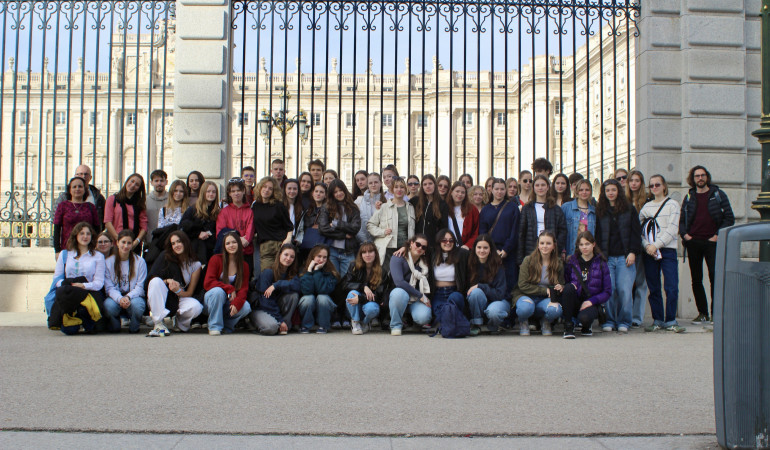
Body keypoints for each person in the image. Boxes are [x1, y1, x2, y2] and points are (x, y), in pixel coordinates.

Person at [679, 165, 734, 324]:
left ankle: (716, 313)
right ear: (693, 179)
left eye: (702, 175)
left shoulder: (718, 194)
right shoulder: (689, 197)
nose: (700, 178)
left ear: (707, 177)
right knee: (696, 279)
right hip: (693, 242)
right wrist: (685, 235)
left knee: (715, 277)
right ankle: (702, 313)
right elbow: (682, 220)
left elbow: (729, 218)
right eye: (697, 176)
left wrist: (717, 236)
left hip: (712, 243)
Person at [594, 179, 642, 333]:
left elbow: (636, 233)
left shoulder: (629, 209)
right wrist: (599, 255)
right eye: (607, 190)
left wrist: (633, 252)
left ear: (618, 191)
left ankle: (624, 321)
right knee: (610, 289)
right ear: (604, 193)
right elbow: (597, 235)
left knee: (624, 290)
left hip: (625, 256)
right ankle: (609, 320)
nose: (611, 193)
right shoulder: (600, 210)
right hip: (607, 257)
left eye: (613, 190)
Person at [640, 174, 684, 333]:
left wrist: (656, 245)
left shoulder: (673, 205)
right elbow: (640, 230)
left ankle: (671, 319)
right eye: (651, 185)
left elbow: (673, 229)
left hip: (667, 249)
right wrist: (647, 246)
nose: (654, 188)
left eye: (657, 184)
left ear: (664, 186)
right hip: (649, 251)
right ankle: (657, 319)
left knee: (671, 286)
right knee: (654, 287)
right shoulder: (646, 207)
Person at [47, 222, 106, 334]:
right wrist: (69, 284)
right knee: (69, 330)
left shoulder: (98, 256)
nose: (85, 236)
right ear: (76, 235)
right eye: (81, 233)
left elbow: (98, 283)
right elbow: (57, 280)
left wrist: (83, 285)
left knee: (91, 327)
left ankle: (85, 320)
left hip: (88, 292)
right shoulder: (65, 254)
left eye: (88, 234)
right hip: (69, 292)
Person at [145, 231, 204, 337]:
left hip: (178, 297)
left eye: (179, 241)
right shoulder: (165, 257)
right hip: (163, 297)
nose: (176, 245)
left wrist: (178, 291)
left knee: (196, 307)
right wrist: (168, 281)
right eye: (173, 243)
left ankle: (179, 323)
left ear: (185, 242)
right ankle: (158, 323)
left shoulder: (195, 264)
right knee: (155, 281)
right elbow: (151, 280)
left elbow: (189, 293)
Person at [560, 231, 612, 338]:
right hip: (574, 300)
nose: (584, 247)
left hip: (591, 302)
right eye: (581, 244)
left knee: (584, 318)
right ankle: (568, 326)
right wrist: (570, 286)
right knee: (568, 288)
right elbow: (565, 282)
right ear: (578, 246)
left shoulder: (601, 263)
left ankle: (586, 325)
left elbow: (607, 291)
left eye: (587, 244)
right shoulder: (571, 262)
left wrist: (592, 301)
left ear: (593, 244)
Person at [513, 231, 564, 336]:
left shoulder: (558, 263)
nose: (545, 246)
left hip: (545, 299)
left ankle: (545, 321)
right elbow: (522, 285)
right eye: (542, 243)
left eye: (548, 243)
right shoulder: (528, 260)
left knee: (556, 310)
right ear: (538, 245)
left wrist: (560, 287)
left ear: (554, 246)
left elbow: (561, 283)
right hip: (526, 296)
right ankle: (523, 321)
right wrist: (545, 290)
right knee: (525, 308)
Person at [203, 231, 251, 335]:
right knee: (218, 291)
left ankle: (227, 326)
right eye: (228, 243)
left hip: (228, 302)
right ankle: (214, 326)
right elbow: (208, 282)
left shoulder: (244, 265)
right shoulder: (216, 259)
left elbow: (244, 288)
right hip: (212, 300)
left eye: (234, 242)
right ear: (224, 246)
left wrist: (236, 303)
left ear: (239, 244)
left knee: (246, 307)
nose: (231, 245)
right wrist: (229, 288)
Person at [479, 178, 520, 291]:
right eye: (496, 189)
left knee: (510, 282)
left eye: (502, 189)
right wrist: (492, 249)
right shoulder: (485, 210)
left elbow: (515, 230)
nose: (499, 192)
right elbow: (483, 232)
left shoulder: (512, 207)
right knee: (492, 281)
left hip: (509, 252)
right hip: (491, 252)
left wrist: (506, 249)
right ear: (491, 190)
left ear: (505, 190)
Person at [251, 243, 301, 335]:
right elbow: (265, 301)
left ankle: (284, 325)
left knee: (293, 295)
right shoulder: (268, 272)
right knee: (271, 328)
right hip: (262, 308)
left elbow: (297, 286)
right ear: (279, 255)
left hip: (276, 308)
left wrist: (277, 285)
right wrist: (280, 320)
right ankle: (259, 323)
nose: (288, 258)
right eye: (286, 255)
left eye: (292, 257)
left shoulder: (291, 273)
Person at [103, 230, 147, 333]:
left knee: (138, 305)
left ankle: (134, 326)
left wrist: (127, 297)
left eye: (129, 243)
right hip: (115, 298)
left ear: (132, 245)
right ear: (117, 243)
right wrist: (120, 298)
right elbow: (109, 288)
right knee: (108, 305)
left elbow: (140, 287)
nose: (126, 246)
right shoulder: (108, 262)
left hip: (133, 297)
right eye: (123, 242)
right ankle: (115, 324)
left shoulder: (140, 262)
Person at [388, 234, 432, 336]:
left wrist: (422, 296)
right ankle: (396, 325)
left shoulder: (425, 263)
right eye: (418, 244)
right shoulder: (398, 257)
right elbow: (399, 282)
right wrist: (421, 295)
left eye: (423, 247)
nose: (420, 248)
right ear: (411, 243)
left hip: (416, 298)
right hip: (401, 295)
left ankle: (416, 324)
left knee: (424, 317)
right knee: (398, 293)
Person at [465, 234, 509, 335]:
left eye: (485, 247)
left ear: (490, 249)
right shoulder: (470, 264)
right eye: (479, 247)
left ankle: (493, 325)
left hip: (498, 301)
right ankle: (476, 324)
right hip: (479, 303)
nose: (482, 250)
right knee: (475, 293)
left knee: (494, 312)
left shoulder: (498, 266)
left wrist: (480, 286)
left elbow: (499, 294)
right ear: (474, 248)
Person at [342, 242, 388, 335]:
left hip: (370, 302)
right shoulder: (354, 266)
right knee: (352, 293)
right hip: (354, 306)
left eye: (370, 252)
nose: (367, 255)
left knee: (372, 309)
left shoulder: (382, 271)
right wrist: (363, 287)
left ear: (375, 254)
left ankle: (365, 322)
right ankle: (355, 322)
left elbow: (379, 295)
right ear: (361, 255)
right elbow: (346, 285)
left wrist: (361, 298)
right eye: (364, 252)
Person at [518, 175, 567, 263]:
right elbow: (521, 232)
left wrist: (556, 247)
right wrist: (520, 258)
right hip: (531, 250)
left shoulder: (555, 209)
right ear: (533, 188)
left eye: (543, 185)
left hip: (551, 252)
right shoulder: (527, 208)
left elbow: (562, 231)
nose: (540, 188)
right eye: (537, 185)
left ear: (548, 187)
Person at [318, 179, 361, 276]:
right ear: (331, 194)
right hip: (331, 250)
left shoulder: (353, 207)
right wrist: (344, 235)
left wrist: (337, 224)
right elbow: (323, 229)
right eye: (335, 192)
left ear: (345, 190)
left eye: (340, 190)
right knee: (333, 279)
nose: (339, 194)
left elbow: (355, 228)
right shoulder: (326, 207)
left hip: (348, 251)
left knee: (347, 279)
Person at [368, 176, 414, 265]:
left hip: (405, 248)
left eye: (402, 187)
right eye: (396, 187)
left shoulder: (411, 207)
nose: (399, 189)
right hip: (388, 248)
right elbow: (370, 225)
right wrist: (383, 232)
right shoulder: (384, 207)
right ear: (392, 189)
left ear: (405, 189)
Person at [252, 176, 293, 272]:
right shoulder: (255, 206)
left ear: (274, 191)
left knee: (281, 273)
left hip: (280, 244)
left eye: (270, 188)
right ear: (260, 188)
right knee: (266, 273)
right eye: (264, 187)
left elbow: (289, 226)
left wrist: (287, 240)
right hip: (265, 246)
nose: (267, 190)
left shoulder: (278, 206)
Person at [53, 176, 100, 259]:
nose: (77, 189)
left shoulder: (91, 207)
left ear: (85, 189)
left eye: (80, 186)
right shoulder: (63, 206)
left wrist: (94, 245)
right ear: (69, 190)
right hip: (67, 248)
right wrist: (57, 250)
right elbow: (57, 229)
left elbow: (97, 228)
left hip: (87, 248)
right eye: (74, 187)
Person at [298, 244, 339, 333]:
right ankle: (305, 326)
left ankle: (323, 326)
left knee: (322, 297)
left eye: (324, 257)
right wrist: (309, 270)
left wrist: (316, 270)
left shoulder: (331, 272)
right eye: (319, 256)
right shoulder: (303, 270)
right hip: (308, 306)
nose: (321, 260)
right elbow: (307, 291)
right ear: (313, 256)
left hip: (325, 307)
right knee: (308, 298)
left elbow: (322, 290)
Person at [626, 169, 649, 327]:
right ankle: (625, 315)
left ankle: (637, 317)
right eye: (631, 180)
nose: (634, 183)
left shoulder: (647, 201)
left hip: (645, 246)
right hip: (628, 246)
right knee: (626, 284)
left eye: (637, 180)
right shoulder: (623, 201)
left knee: (641, 282)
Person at [216, 178, 254, 273]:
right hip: (229, 253)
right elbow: (220, 232)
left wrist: (244, 240)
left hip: (246, 252)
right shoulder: (224, 212)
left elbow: (249, 233)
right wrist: (237, 239)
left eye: (238, 190)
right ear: (229, 193)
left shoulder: (250, 211)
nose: (236, 193)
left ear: (243, 191)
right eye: (233, 191)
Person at [180, 180, 220, 267]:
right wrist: (198, 234)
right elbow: (182, 227)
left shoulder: (217, 211)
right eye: (208, 191)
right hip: (196, 250)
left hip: (212, 249)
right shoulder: (193, 209)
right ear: (203, 193)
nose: (211, 194)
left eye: (213, 192)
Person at [104, 173, 148, 251]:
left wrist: (136, 242)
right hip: (116, 243)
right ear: (127, 181)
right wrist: (119, 240)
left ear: (139, 189)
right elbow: (108, 222)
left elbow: (144, 227)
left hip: (133, 244)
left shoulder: (139, 204)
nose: (133, 185)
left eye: (137, 184)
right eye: (132, 181)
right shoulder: (112, 199)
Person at [410, 174, 449, 252]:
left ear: (435, 185)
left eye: (430, 183)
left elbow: (443, 227)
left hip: (432, 246)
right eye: (425, 184)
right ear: (422, 187)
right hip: (416, 244)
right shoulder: (415, 201)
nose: (428, 186)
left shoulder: (442, 204)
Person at [562, 179, 595, 257]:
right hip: (571, 250)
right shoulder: (566, 207)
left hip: (587, 252)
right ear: (576, 191)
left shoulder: (594, 211)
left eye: (587, 190)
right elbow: (561, 230)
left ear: (590, 191)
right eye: (581, 190)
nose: (584, 192)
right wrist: (563, 250)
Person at [299, 182, 328, 263]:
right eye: (316, 191)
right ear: (312, 193)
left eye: (321, 192)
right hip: (305, 246)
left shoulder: (329, 210)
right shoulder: (308, 209)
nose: (318, 194)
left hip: (320, 248)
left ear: (325, 195)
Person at [446, 181, 479, 249]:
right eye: (457, 191)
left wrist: (468, 245)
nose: (460, 194)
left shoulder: (472, 209)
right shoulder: (444, 208)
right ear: (451, 192)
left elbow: (476, 230)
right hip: (447, 246)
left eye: (463, 192)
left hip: (465, 248)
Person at [355, 172, 386, 244]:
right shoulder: (359, 201)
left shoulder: (386, 201)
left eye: (376, 182)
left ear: (381, 183)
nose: (373, 185)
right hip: (362, 242)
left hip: (380, 243)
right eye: (370, 183)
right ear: (367, 185)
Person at [145, 169, 168, 237]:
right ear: (151, 182)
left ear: (166, 182)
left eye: (161, 181)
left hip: (167, 238)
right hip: (150, 238)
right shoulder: (145, 200)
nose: (159, 183)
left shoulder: (172, 199)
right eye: (156, 181)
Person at [283, 179, 305, 244]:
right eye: (289, 188)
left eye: (295, 189)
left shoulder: (301, 207)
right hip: (281, 240)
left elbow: (301, 229)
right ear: (285, 190)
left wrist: (299, 240)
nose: (292, 191)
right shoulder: (279, 206)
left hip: (294, 241)